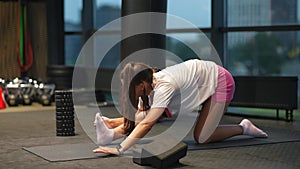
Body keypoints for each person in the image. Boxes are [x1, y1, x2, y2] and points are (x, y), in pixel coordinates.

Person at [92, 59, 268, 155]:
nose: (129, 92)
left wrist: (120, 148)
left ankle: (243, 128)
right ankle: (110, 133)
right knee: (146, 113)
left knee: (203, 137)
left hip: (220, 82)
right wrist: (115, 125)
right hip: (202, 82)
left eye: (131, 88)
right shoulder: (149, 84)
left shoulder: (164, 86)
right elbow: (141, 115)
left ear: (142, 83)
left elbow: (147, 124)